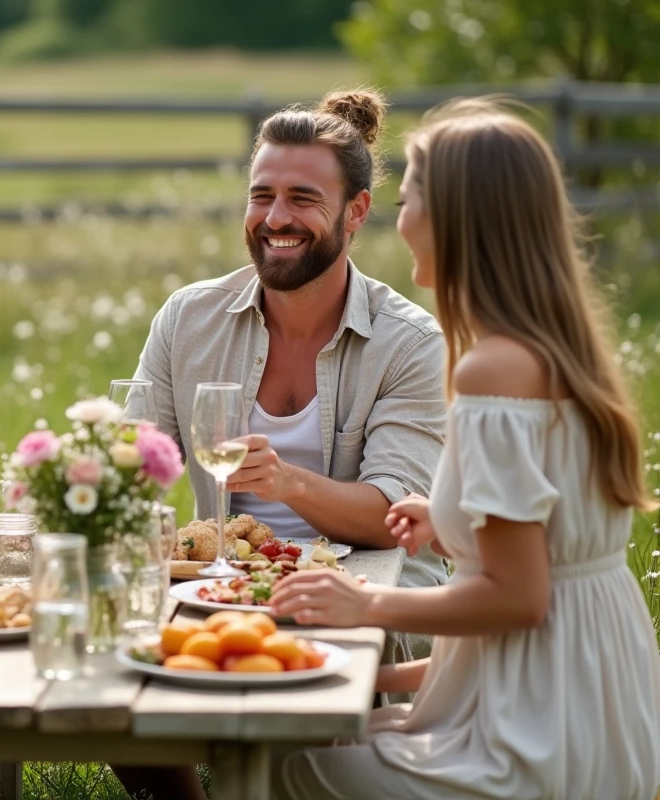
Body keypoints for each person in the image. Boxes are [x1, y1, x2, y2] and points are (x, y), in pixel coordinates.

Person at [268, 99, 660, 799]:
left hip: (539, 737)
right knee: (333, 726)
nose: (401, 215)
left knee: (295, 767)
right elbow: (543, 583)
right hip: (582, 701)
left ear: (454, 217)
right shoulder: (557, 354)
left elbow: (519, 598)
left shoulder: (493, 369)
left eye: (412, 194)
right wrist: (374, 676)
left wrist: (366, 605)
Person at [133, 88, 448, 639]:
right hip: (223, 592)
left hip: (373, 605)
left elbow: (394, 518)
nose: (276, 218)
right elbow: (131, 464)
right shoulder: (188, 319)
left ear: (357, 211)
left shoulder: (411, 343)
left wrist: (288, 482)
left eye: (303, 198)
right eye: (262, 196)